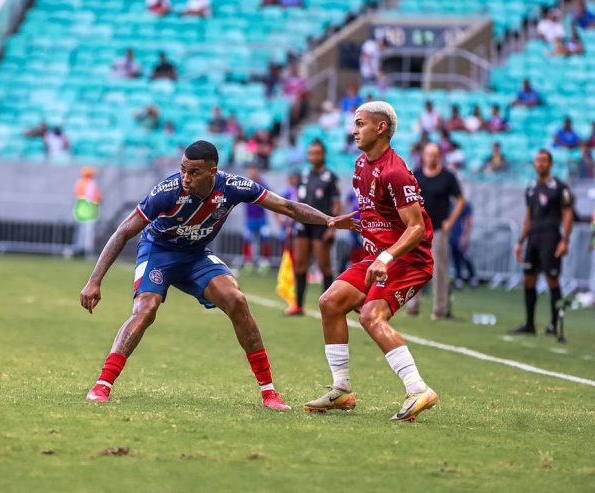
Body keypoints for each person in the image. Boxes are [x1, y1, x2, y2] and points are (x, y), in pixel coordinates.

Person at [79, 140, 349, 409]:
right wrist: (94, 280)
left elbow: (288, 207)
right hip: (158, 252)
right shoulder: (167, 191)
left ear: (212, 171)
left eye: (194, 172)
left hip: (195, 255)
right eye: (183, 169)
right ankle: (102, 384)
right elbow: (123, 231)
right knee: (145, 309)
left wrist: (329, 220)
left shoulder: (234, 186)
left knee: (236, 300)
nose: (186, 177)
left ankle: (269, 393)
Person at [303, 101, 438, 422]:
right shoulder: (362, 164)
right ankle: (342, 390)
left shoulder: (395, 171)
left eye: (360, 124)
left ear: (381, 128)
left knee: (371, 318)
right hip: (377, 257)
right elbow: (376, 209)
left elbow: (416, 228)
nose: (354, 131)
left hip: (406, 260)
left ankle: (418, 389)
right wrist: (353, 219)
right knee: (330, 302)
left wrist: (388, 256)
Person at [510, 150, 573, 336]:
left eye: (544, 161)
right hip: (533, 238)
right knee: (528, 279)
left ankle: (554, 324)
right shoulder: (531, 188)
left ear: (550, 164)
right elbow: (528, 216)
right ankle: (529, 324)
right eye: (538, 160)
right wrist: (520, 241)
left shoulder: (560, 187)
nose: (540, 164)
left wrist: (565, 240)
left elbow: (568, 214)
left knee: (552, 278)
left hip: (551, 238)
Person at [405, 143, 465, 319]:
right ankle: (412, 305)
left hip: (438, 229)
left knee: (439, 269)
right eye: (428, 154)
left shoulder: (447, 177)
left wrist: (450, 222)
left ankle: (439, 308)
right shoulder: (415, 175)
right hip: (417, 228)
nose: (431, 157)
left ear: (439, 156)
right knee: (414, 267)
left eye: (434, 154)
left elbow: (461, 200)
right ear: (423, 155)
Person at [288, 139, 341, 316]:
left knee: (324, 266)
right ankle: (298, 305)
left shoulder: (330, 177)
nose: (313, 156)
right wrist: (291, 223)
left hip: (321, 225)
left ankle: (329, 306)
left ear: (324, 155)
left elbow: (336, 204)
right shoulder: (303, 175)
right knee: (300, 264)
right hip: (302, 225)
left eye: (317, 153)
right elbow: (297, 203)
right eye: (311, 153)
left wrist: (332, 227)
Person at [241, 165, 272, 273]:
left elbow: (271, 198)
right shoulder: (245, 184)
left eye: (254, 169)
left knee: (265, 238)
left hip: (261, 219)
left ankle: (265, 262)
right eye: (250, 170)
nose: (252, 172)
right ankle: (248, 262)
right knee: (247, 239)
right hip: (249, 219)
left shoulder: (262, 184)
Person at [73, 167, 102, 258]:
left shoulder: (79, 182)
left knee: (80, 234)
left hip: (80, 212)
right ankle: (86, 253)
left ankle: (78, 251)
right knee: (88, 235)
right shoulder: (91, 184)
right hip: (90, 212)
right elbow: (97, 198)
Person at [449, 202, 477, 289]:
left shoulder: (465, 205)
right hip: (453, 236)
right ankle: (459, 279)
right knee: (455, 258)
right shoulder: (451, 204)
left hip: (461, 236)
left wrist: (465, 236)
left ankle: (472, 277)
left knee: (465, 257)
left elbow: (469, 221)